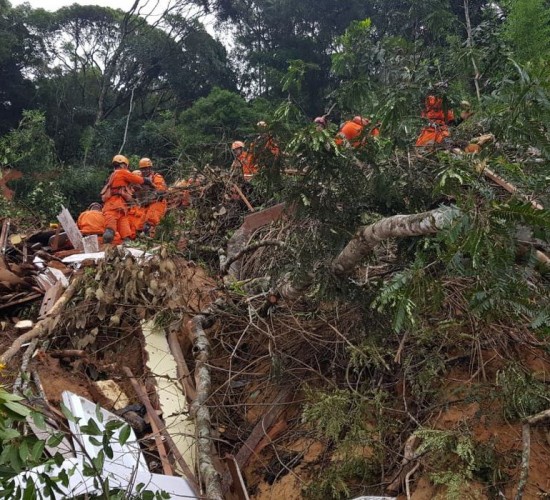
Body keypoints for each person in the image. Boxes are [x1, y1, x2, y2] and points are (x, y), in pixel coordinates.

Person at [101, 154, 152, 244]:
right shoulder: (122, 172)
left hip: (120, 207)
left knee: (126, 234)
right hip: (114, 205)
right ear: (124, 165)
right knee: (110, 232)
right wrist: (148, 181)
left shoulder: (112, 176)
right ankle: (105, 252)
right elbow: (137, 179)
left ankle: (127, 247)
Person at [136, 157, 167, 237]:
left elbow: (162, 191)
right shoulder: (141, 180)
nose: (144, 171)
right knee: (139, 227)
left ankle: (152, 238)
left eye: (146, 169)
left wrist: (151, 184)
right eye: (142, 169)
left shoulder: (157, 177)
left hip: (157, 203)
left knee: (150, 222)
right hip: (147, 205)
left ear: (150, 168)